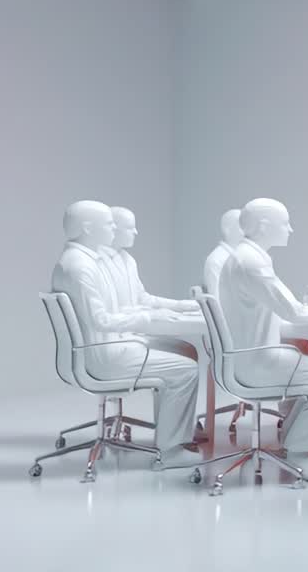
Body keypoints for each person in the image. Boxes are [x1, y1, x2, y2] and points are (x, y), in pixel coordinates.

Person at [50, 201, 202, 468]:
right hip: (106, 356)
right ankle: (170, 451)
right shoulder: (81, 267)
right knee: (186, 370)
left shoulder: (83, 261)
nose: (113, 229)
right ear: (88, 228)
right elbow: (102, 320)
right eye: (109, 224)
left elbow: (123, 305)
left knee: (182, 350)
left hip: (103, 348)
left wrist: (170, 309)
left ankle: (171, 431)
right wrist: (148, 318)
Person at [218, 198, 308, 482]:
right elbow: (294, 312)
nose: (290, 229)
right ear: (264, 226)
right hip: (259, 364)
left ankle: (294, 442)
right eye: (285, 223)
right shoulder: (252, 263)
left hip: (246, 358)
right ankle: (301, 455)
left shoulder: (242, 257)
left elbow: (277, 311)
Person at [98, 206, 200, 360]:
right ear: (114, 229)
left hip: (131, 334)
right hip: (115, 340)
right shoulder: (98, 263)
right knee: (187, 354)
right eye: (129, 228)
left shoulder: (127, 260)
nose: (135, 232)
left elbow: (143, 298)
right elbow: (111, 313)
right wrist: (151, 315)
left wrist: (179, 305)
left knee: (187, 350)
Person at [203, 209, 242, 295]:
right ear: (227, 230)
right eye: (242, 226)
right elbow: (217, 299)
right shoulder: (216, 260)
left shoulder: (242, 257)